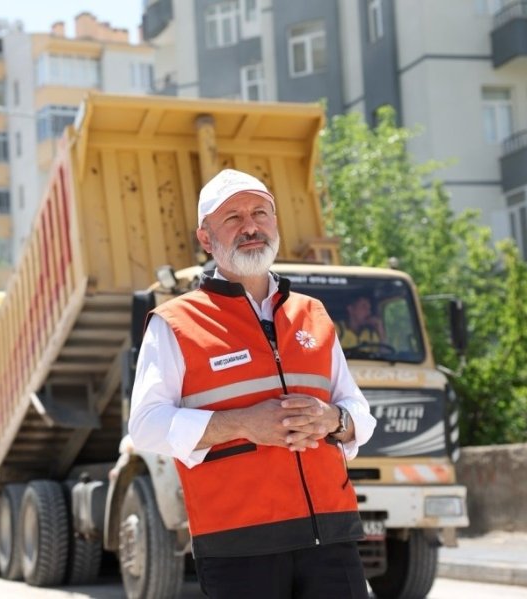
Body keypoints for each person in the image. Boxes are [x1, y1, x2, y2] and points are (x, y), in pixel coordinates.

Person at [128, 168, 377, 598]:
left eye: (260, 213)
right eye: (233, 218)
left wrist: (331, 420)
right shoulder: (176, 322)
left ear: (275, 224)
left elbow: (359, 413)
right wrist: (243, 423)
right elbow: (146, 426)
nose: (250, 227)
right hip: (238, 545)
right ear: (206, 239)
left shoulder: (312, 313)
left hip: (332, 538)